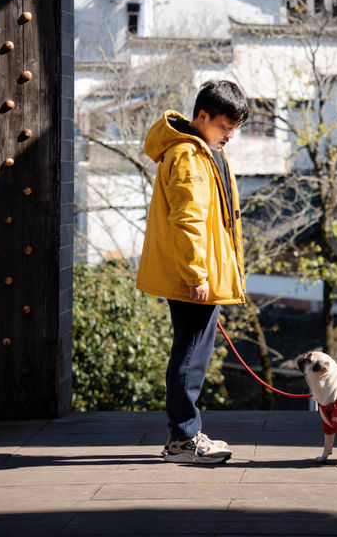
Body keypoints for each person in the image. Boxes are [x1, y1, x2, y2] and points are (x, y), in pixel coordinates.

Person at [137, 80, 249, 464]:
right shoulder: (188, 156)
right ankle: (184, 440)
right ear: (202, 117)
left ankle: (181, 438)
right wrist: (197, 274)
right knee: (190, 356)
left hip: (199, 273)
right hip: (193, 276)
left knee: (192, 351)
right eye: (225, 128)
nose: (229, 137)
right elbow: (189, 221)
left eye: (234, 130)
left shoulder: (200, 150)